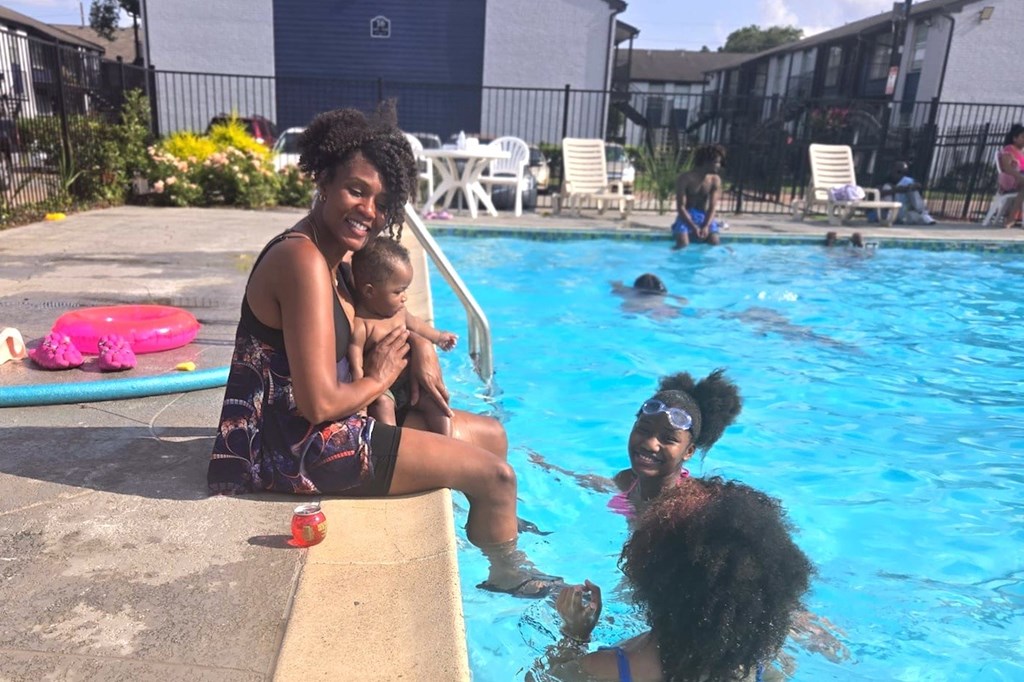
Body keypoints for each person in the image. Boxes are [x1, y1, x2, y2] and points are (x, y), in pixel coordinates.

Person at [206, 105, 558, 597]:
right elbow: (318, 406)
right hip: (296, 446)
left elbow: (385, 318)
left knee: (493, 436)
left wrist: (420, 344)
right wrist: (381, 375)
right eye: (357, 190)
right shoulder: (301, 259)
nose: (369, 210)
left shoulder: (340, 255)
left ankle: (491, 532)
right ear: (323, 179)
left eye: (382, 200)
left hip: (340, 420)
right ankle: (505, 572)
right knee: (495, 476)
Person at [532, 477, 815, 681]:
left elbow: (541, 678)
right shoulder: (761, 668)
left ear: (654, 578)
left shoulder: (607, 669)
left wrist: (574, 635)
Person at [529, 369, 742, 518]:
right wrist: (547, 468)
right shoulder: (628, 480)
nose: (650, 444)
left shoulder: (684, 508)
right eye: (643, 430)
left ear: (689, 452)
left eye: (668, 438)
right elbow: (600, 485)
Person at [349, 237, 457, 437]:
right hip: (384, 390)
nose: (405, 297)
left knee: (438, 403)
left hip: (410, 384)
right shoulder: (362, 324)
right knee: (382, 404)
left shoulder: (400, 312)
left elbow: (417, 324)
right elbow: (356, 363)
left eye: (405, 289)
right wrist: (360, 403)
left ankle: (447, 443)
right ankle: (393, 448)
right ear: (370, 291)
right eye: (398, 291)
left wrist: (439, 337)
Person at [671, 144, 725, 249]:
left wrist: (705, 225)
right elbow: (681, 207)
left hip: (704, 217)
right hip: (686, 217)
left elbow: (712, 207)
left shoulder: (715, 180)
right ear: (706, 162)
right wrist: (693, 226)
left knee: (715, 242)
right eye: (716, 162)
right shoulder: (685, 178)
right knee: (683, 245)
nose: (719, 165)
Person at [879, 160, 937, 225]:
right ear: (892, 170)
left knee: (912, 190)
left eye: (904, 173)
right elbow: (878, 192)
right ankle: (890, 218)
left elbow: (918, 185)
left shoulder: (906, 181)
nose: (901, 175)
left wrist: (911, 187)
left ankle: (923, 214)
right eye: (898, 172)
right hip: (890, 211)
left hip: (904, 211)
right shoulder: (886, 180)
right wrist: (896, 190)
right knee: (887, 187)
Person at [609, 273, 688, 320]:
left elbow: (615, 291)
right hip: (659, 307)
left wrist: (616, 286)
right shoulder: (661, 294)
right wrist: (679, 298)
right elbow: (683, 300)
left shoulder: (629, 292)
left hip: (635, 308)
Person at [997, 123, 1024, 229]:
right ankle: (1011, 218)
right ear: (1014, 138)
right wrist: (1019, 177)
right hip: (1010, 178)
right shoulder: (1009, 149)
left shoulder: (1022, 152)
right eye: (1023, 137)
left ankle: (1012, 217)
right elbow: (1007, 168)